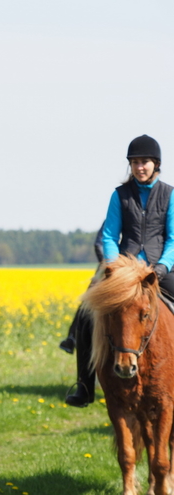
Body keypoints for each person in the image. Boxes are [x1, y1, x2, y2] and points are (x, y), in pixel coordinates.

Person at [65, 134, 174, 407]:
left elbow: (173, 238)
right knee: (86, 315)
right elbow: (110, 236)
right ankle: (85, 386)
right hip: (122, 270)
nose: (140, 167)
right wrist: (114, 268)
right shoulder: (120, 195)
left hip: (158, 269)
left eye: (145, 162)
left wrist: (162, 266)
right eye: (135, 162)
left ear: (155, 164)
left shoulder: (170, 195)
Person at [58, 224, 104, 354]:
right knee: (87, 299)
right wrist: (107, 263)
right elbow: (98, 244)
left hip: (134, 266)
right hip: (108, 265)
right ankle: (72, 337)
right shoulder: (112, 218)